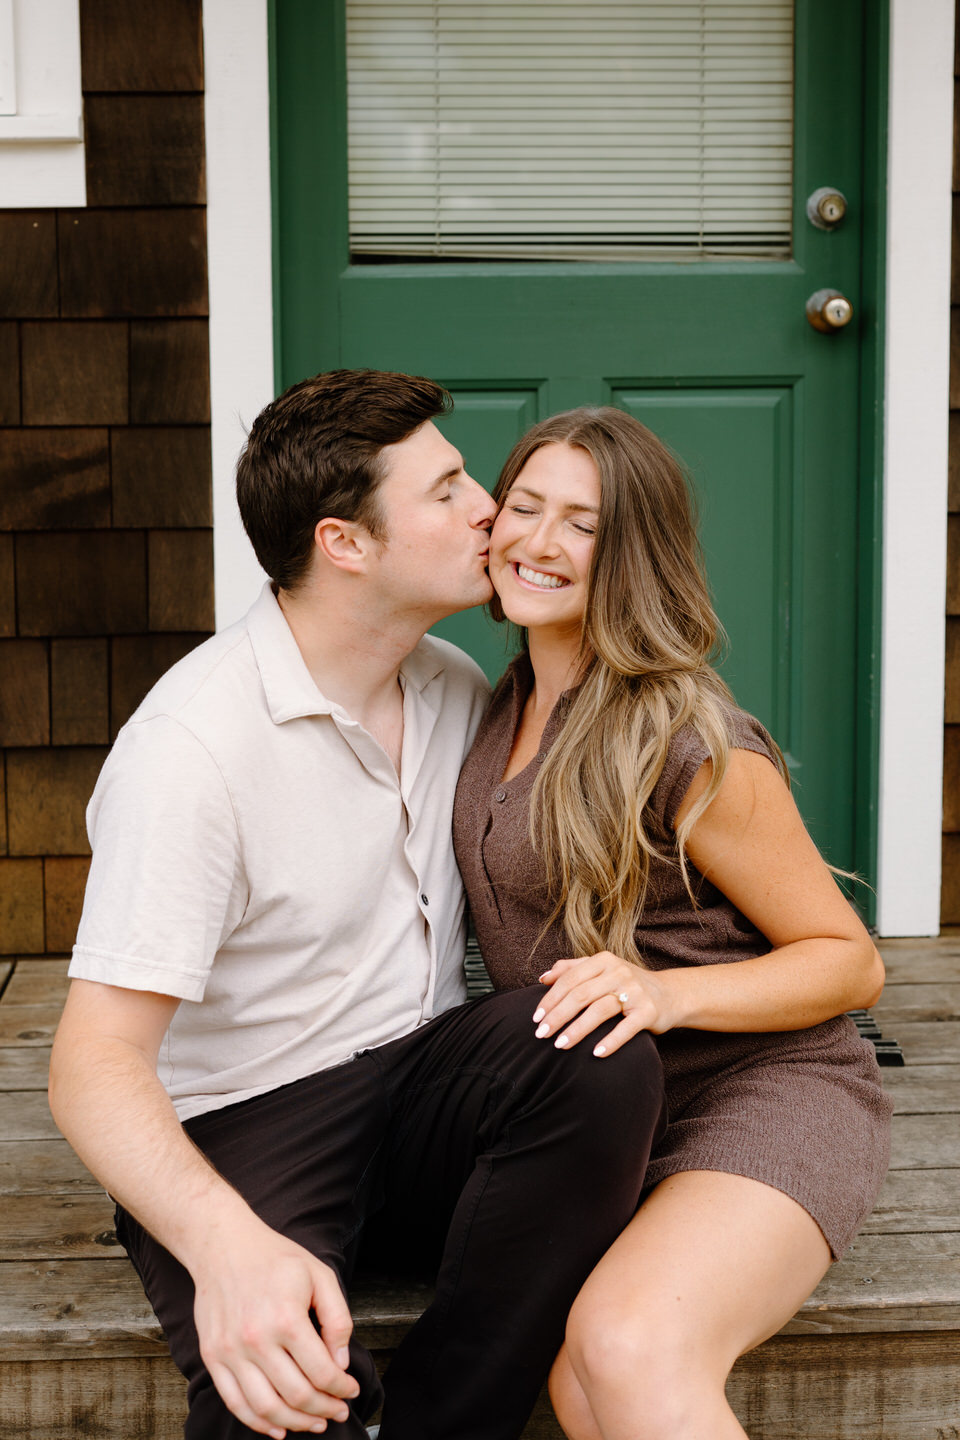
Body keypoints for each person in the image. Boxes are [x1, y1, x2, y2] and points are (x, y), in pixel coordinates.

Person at [48, 372, 667, 1440]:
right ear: (346, 544)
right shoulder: (192, 753)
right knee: (281, 1399)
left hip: (421, 1084)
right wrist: (225, 1247)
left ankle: (437, 1419)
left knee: (593, 1051)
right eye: (446, 491)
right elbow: (91, 1064)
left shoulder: (454, 686)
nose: (490, 506)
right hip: (251, 1121)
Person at [453, 406, 893, 1440]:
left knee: (628, 1346)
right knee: (580, 1387)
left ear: (633, 556)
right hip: (602, 1124)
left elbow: (849, 961)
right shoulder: (486, 709)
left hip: (762, 1093)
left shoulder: (690, 742)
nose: (540, 542)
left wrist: (666, 990)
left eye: (584, 525)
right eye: (524, 506)